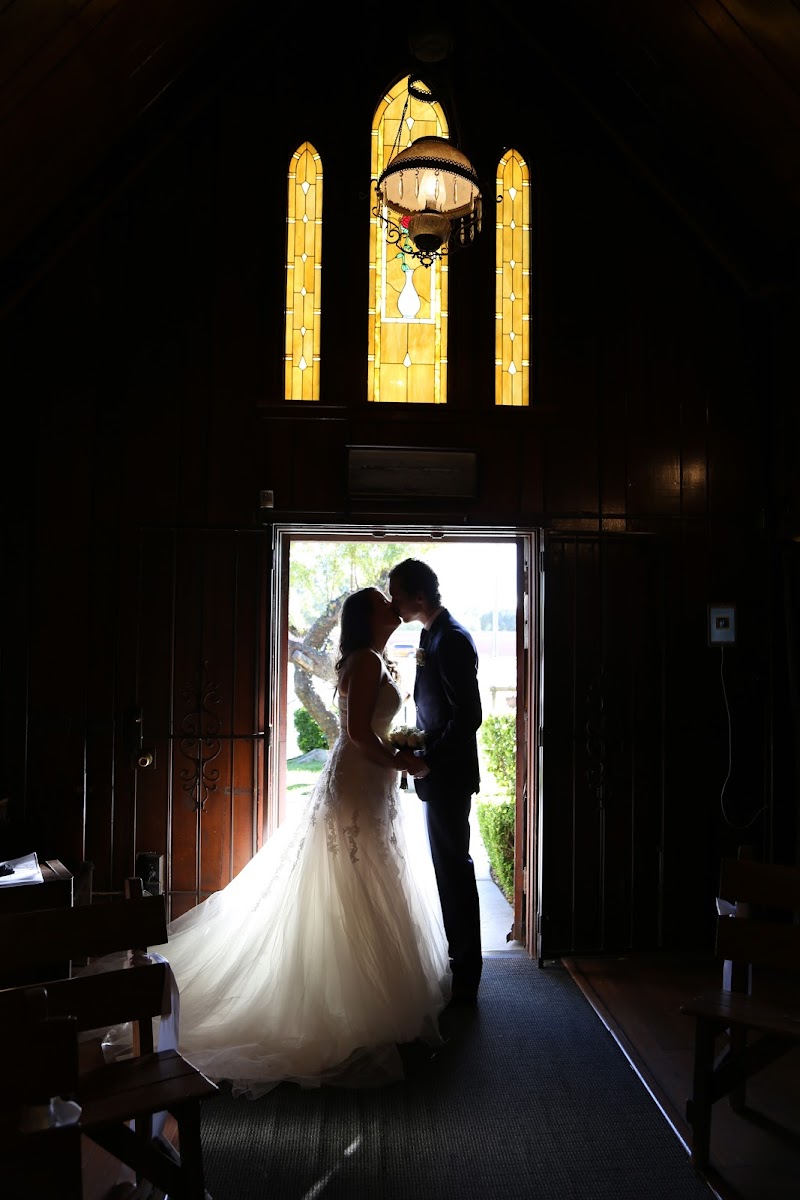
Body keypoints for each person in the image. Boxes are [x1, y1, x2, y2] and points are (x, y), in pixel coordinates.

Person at [152, 587, 451, 1098]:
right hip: (357, 782)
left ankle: (364, 999)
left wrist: (397, 752)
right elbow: (357, 733)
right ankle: (351, 1006)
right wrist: (403, 760)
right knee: (353, 878)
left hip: (368, 784)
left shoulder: (373, 658)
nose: (392, 607)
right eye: (383, 602)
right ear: (369, 616)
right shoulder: (363, 659)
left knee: (367, 878)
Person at [388, 558, 483, 1005]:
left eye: (397, 593)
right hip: (437, 773)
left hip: (447, 775)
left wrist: (427, 756)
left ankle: (466, 975)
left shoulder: (452, 640)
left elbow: (469, 717)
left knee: (455, 870)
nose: (393, 602)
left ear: (420, 597)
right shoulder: (431, 635)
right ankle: (458, 964)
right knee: (447, 870)